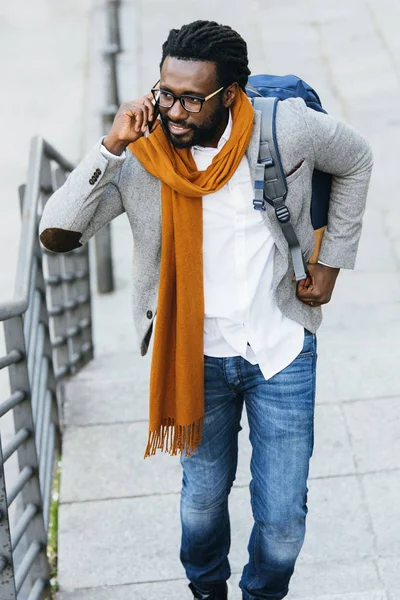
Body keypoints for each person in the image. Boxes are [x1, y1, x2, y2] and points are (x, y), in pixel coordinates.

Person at [39, 20, 373, 600]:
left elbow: (356, 159)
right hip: (193, 357)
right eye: (166, 92)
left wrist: (331, 261)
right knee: (200, 502)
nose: (175, 110)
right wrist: (109, 146)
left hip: (279, 348)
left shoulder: (284, 128)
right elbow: (56, 234)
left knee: (283, 521)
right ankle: (206, 589)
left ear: (232, 94)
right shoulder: (144, 157)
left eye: (193, 99)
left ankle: (262, 594)